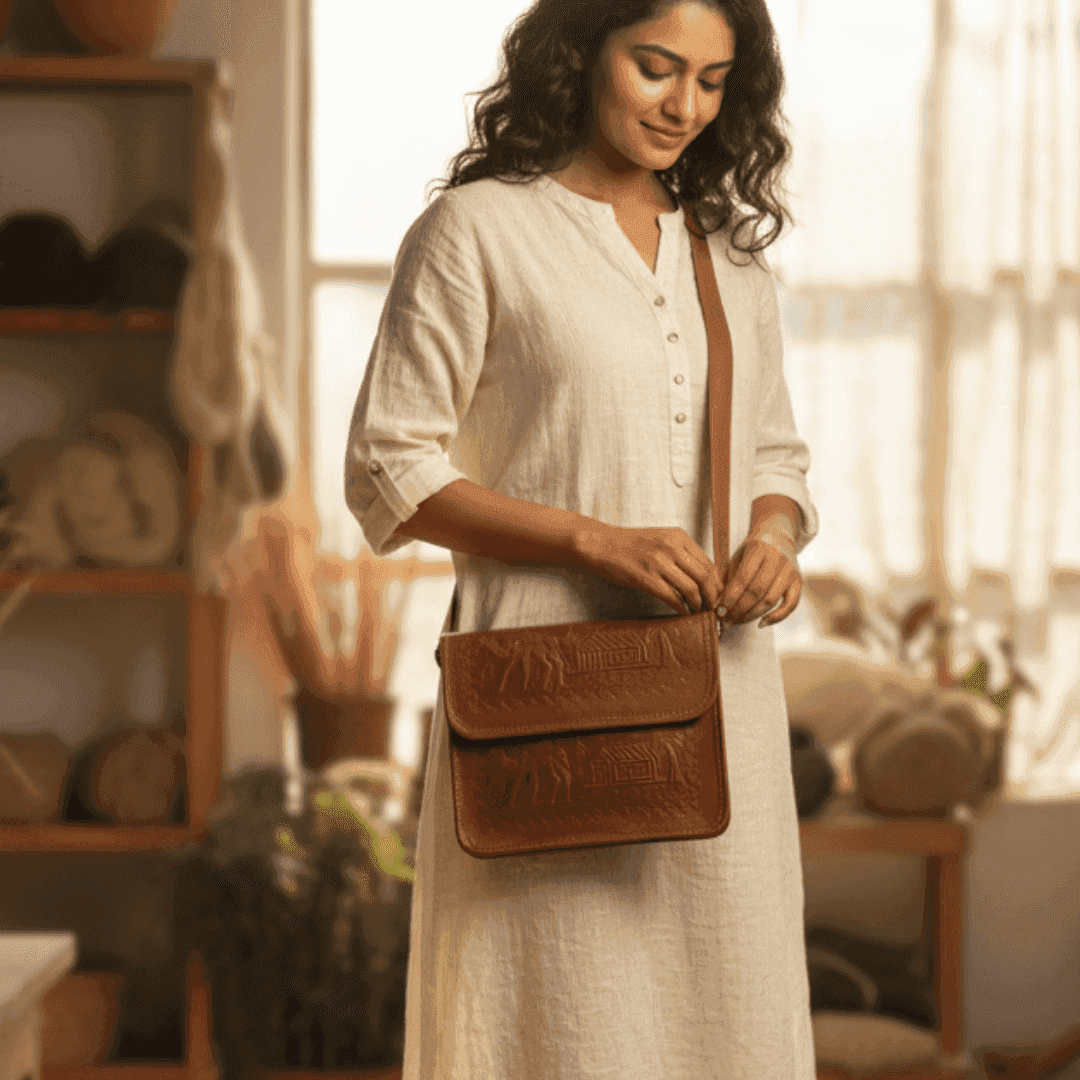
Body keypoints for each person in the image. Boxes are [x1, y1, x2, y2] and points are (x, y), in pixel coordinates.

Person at [344, 1, 820, 1076]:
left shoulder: (730, 257)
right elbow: (388, 468)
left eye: (712, 81)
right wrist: (591, 542)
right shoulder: (478, 231)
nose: (684, 105)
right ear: (582, 51)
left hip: (722, 702)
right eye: (656, 66)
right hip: (545, 705)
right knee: (556, 1020)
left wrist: (774, 538)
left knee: (730, 1018)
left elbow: (776, 456)